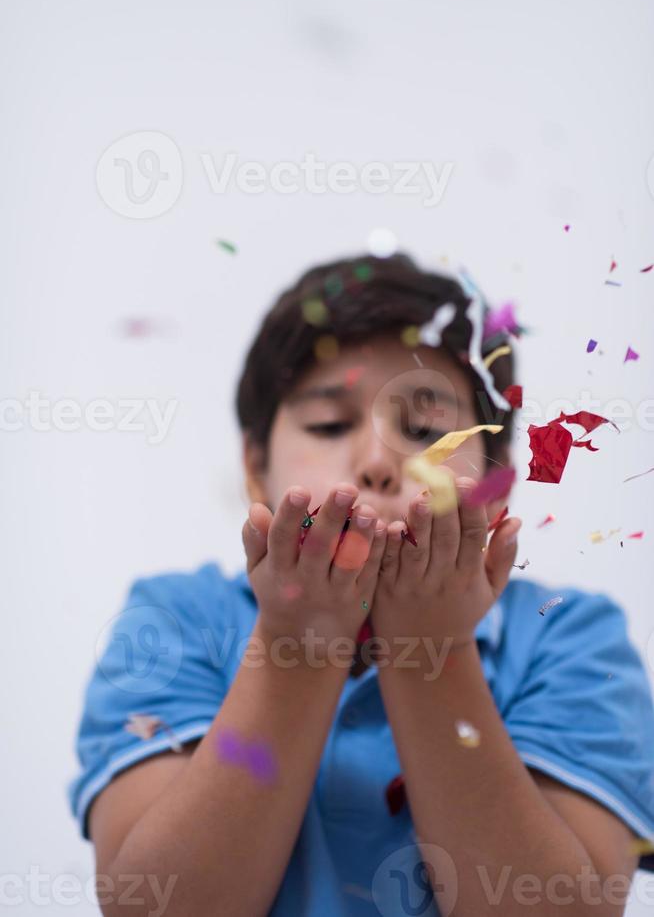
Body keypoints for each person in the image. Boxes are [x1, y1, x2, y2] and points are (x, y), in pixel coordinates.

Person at [67, 252, 654, 916]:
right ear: (255, 468)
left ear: (494, 483)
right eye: (329, 424)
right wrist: (298, 643)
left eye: (425, 429)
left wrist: (431, 650)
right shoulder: (173, 619)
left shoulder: (571, 638)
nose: (376, 461)